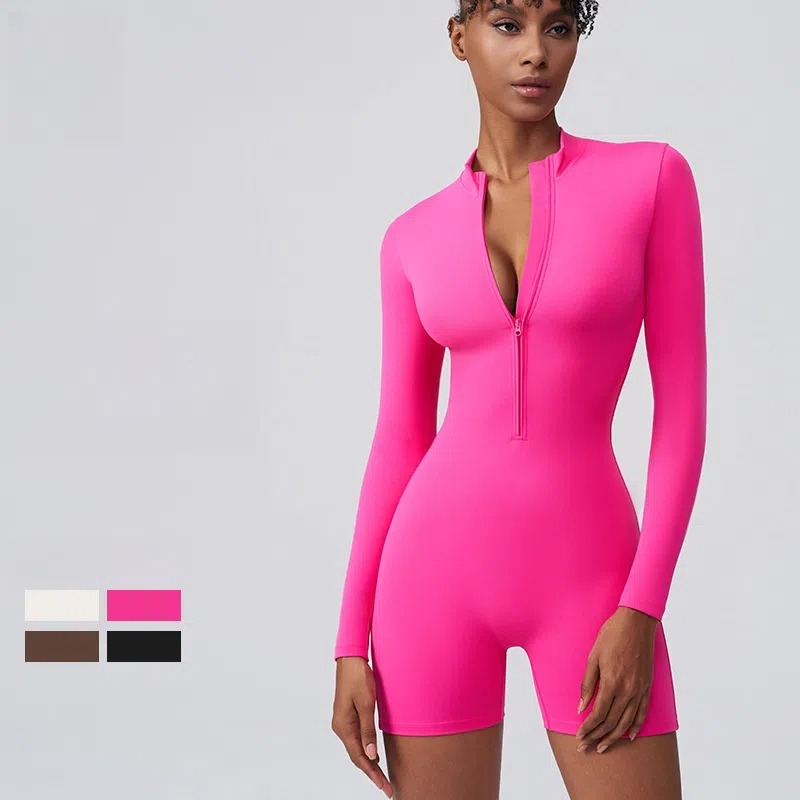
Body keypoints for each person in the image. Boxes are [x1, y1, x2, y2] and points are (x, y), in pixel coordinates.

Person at [330, 1, 707, 797]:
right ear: (459, 37)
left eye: (559, 27)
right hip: (428, 585)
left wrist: (642, 608)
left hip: (591, 579)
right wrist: (348, 643)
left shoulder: (650, 180)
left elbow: (681, 415)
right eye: (507, 24)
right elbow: (400, 438)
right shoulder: (410, 237)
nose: (536, 52)